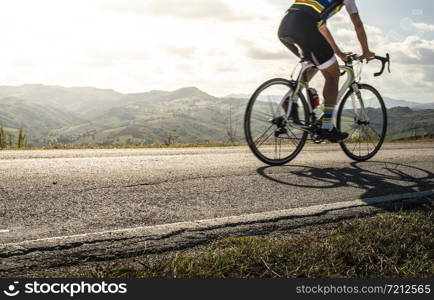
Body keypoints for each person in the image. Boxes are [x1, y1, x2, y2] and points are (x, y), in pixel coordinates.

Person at [278, 0, 375, 142]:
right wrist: (366, 51)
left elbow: (322, 28)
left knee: (316, 63)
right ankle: (327, 126)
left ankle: (291, 98)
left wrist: (339, 53)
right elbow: (358, 25)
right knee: (333, 74)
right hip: (306, 27)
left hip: (285, 27)